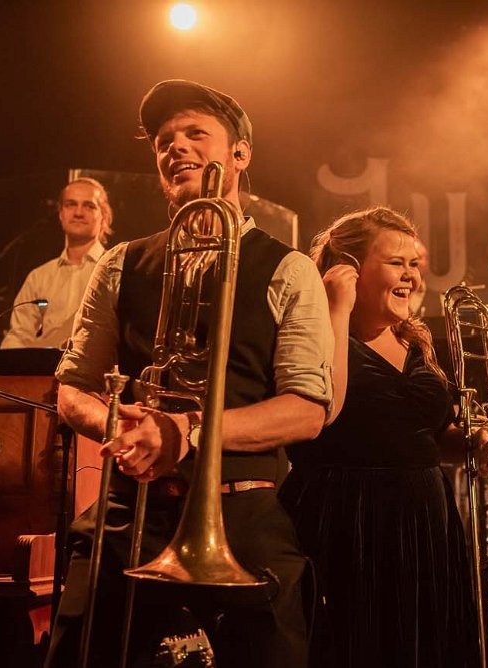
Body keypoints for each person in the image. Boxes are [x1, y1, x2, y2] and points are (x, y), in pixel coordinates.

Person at [45, 80, 334, 668]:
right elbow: (72, 388)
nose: (174, 146)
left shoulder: (289, 267)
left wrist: (187, 431)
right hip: (135, 506)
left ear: (240, 154)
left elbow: (307, 410)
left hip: (242, 510)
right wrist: (119, 427)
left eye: (195, 133)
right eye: (163, 140)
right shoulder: (121, 262)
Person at [279, 206, 488, 668]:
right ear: (349, 269)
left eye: (414, 264)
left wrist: (472, 443)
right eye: (396, 263)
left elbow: (425, 435)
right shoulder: (314, 332)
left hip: (425, 521)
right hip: (350, 518)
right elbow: (325, 408)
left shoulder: (415, 339)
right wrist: (336, 308)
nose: (411, 277)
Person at [0, 177, 112, 349]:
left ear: (104, 216)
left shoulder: (115, 272)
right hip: (45, 366)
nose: (78, 213)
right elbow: (19, 336)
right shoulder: (39, 277)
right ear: (60, 214)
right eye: (70, 204)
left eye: (89, 206)